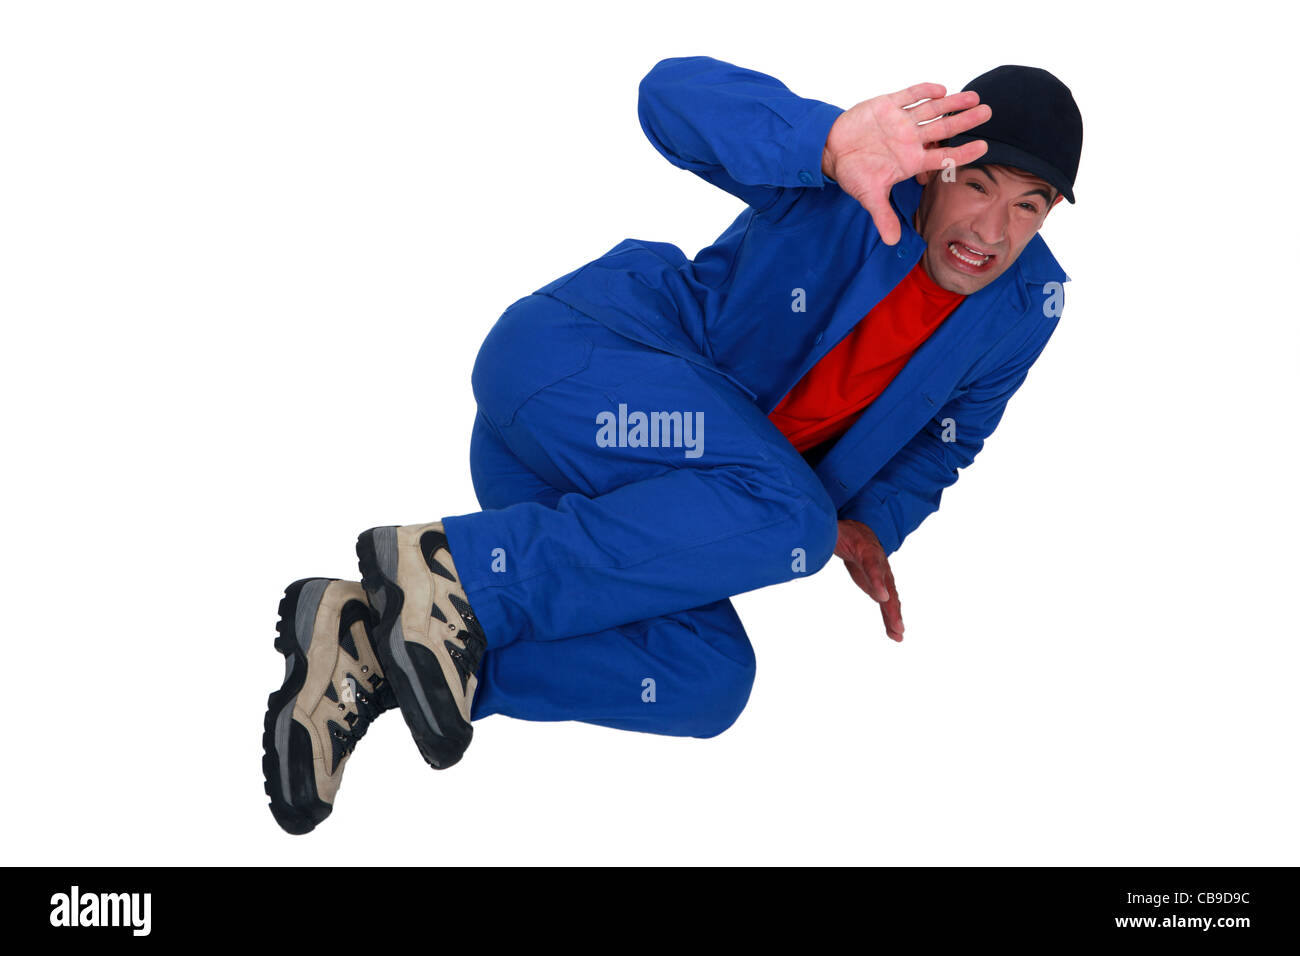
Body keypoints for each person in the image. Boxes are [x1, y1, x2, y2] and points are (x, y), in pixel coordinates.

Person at [262, 55, 1083, 834]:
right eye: (975, 184)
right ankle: (449, 571)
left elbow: (948, 442)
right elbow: (670, 98)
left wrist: (873, 521)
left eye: (1028, 204)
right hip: (572, 369)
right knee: (792, 519)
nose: (992, 227)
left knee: (705, 681)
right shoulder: (850, 187)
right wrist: (826, 144)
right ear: (934, 167)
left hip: (625, 497)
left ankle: (373, 641)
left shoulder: (1028, 304)